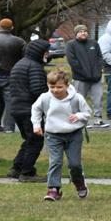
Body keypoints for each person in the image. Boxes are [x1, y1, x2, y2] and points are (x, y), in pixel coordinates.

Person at [31, 69, 91, 202]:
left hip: (73, 134)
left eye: (59, 87)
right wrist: (36, 125)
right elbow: (35, 109)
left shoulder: (76, 98)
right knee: (55, 162)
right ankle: (53, 189)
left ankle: (79, 182)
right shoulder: (45, 98)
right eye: (52, 87)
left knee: (74, 164)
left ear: (67, 85)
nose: (55, 90)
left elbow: (87, 112)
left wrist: (79, 115)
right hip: (53, 135)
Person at [7, 35, 51, 181]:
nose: (47, 54)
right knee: (36, 140)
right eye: (46, 51)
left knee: (28, 139)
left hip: (17, 108)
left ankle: (16, 168)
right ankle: (27, 172)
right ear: (39, 52)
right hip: (29, 110)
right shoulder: (35, 67)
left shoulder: (20, 64)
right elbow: (38, 91)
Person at [66, 25, 107, 127]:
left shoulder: (93, 43)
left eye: (85, 31)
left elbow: (99, 58)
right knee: (79, 99)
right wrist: (83, 73)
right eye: (80, 31)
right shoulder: (71, 45)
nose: (83, 33)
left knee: (98, 98)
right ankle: (80, 120)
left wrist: (99, 71)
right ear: (76, 34)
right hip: (80, 78)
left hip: (96, 78)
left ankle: (98, 118)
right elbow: (73, 61)